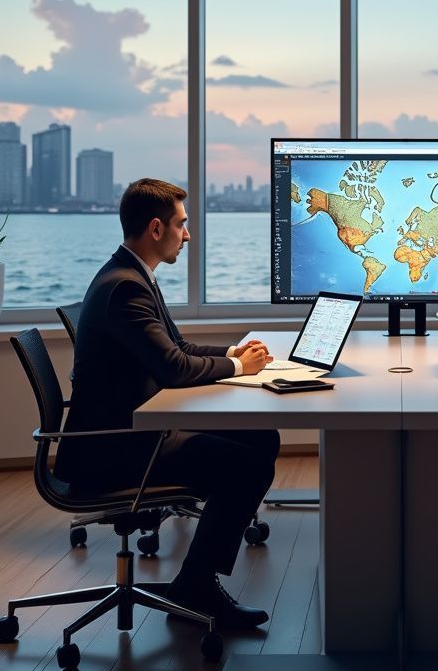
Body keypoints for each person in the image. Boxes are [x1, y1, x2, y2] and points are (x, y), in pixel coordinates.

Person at [59, 177, 279, 630]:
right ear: (156, 229)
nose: (189, 234)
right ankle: (197, 584)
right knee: (250, 466)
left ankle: (196, 577)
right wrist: (242, 370)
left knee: (261, 436)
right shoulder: (126, 287)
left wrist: (231, 355)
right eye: (183, 224)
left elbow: (175, 346)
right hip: (116, 448)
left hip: (126, 433)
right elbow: (174, 369)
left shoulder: (131, 274)